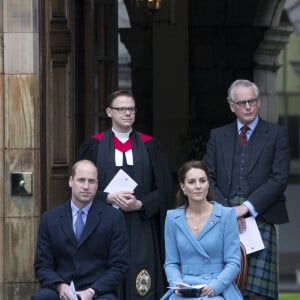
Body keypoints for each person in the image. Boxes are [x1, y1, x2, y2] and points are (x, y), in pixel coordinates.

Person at [76, 90, 174, 299]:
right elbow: (80, 186)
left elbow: (165, 189)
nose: (128, 113)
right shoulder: (94, 145)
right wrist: (108, 198)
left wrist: (140, 204)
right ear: (109, 112)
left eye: (131, 109)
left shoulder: (150, 146)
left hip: (141, 223)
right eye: (122, 109)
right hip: (103, 222)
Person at [203, 79, 290, 300]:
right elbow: (207, 177)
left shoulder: (277, 134)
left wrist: (245, 208)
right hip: (223, 219)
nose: (248, 106)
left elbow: (279, 179)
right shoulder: (218, 135)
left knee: (257, 293)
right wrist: (228, 211)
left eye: (252, 101)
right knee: (223, 286)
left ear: (259, 103)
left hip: (261, 216)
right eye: (242, 103)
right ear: (232, 106)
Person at [31, 160, 129, 300]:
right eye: (81, 180)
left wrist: (92, 291)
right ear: (71, 181)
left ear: (97, 185)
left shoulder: (113, 218)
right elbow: (42, 265)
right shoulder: (50, 219)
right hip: (60, 290)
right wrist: (60, 285)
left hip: (98, 292)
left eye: (91, 181)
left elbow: (119, 266)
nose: (86, 186)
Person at [161, 160, 242, 300]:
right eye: (191, 182)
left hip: (217, 290)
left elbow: (234, 262)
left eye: (202, 181)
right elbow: (171, 263)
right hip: (185, 289)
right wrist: (177, 285)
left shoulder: (226, 215)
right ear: (183, 187)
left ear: (208, 184)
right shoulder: (172, 218)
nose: (198, 186)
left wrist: (214, 287)